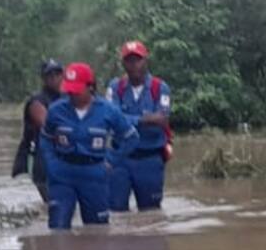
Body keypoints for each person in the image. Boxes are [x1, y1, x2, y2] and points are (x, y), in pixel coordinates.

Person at [40, 62, 138, 229]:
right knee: (58, 226)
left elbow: (131, 138)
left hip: (94, 175)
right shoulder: (56, 110)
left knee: (97, 229)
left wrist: (111, 162)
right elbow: (45, 138)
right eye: (69, 90)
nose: (72, 95)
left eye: (77, 90)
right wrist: (51, 162)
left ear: (90, 87)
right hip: (62, 174)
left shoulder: (108, 111)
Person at [105, 41, 171, 211]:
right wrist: (144, 120)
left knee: (151, 212)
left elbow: (162, 120)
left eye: (137, 60)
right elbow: (111, 120)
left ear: (145, 60)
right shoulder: (116, 87)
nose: (133, 64)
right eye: (129, 60)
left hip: (150, 158)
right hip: (120, 158)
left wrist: (126, 120)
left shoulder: (159, 87)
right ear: (123, 63)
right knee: (115, 210)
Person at [12, 59, 64, 203]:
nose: (54, 78)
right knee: (54, 203)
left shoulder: (67, 98)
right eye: (50, 75)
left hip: (63, 159)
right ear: (44, 78)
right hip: (43, 159)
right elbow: (48, 127)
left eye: (57, 73)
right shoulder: (37, 101)